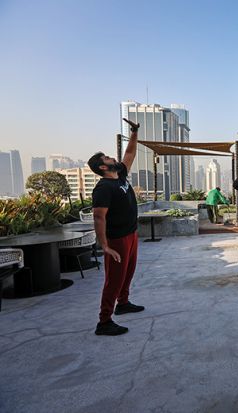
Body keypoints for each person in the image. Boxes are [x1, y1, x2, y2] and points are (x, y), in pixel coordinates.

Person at [88, 118, 145, 336]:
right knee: (114, 279)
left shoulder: (119, 175)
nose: (113, 158)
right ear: (103, 167)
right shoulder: (103, 188)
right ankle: (104, 321)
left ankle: (123, 303)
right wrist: (105, 246)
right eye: (108, 158)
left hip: (131, 234)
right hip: (116, 240)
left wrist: (134, 132)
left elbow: (129, 154)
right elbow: (99, 218)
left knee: (128, 273)